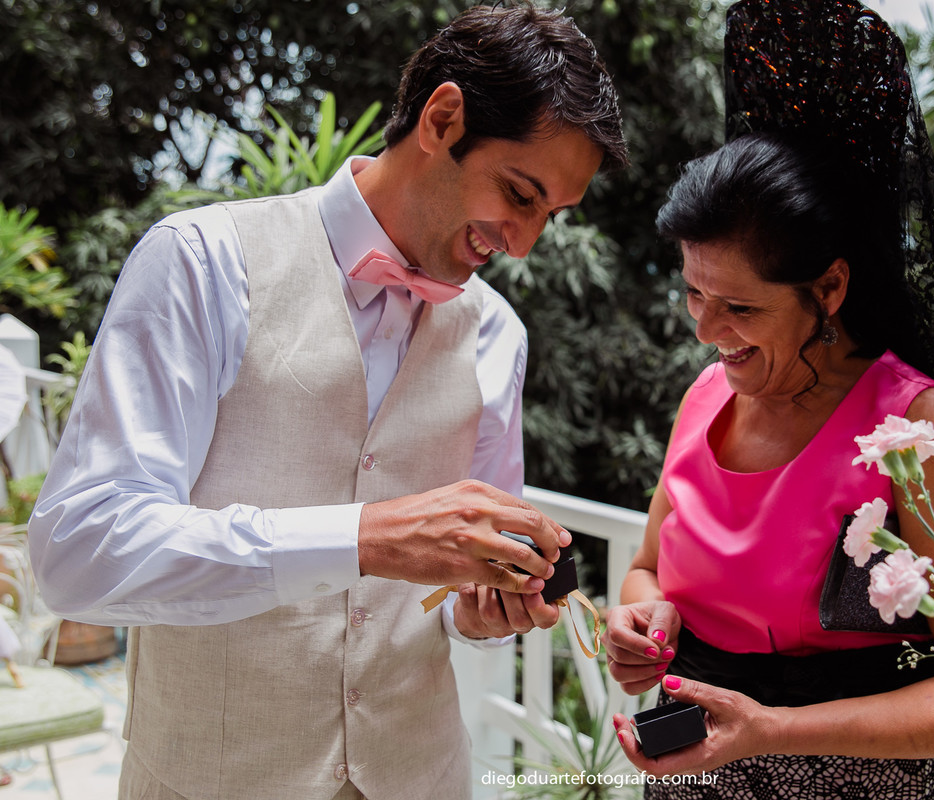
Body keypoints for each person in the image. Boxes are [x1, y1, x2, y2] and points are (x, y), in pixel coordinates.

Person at [27, 4, 627, 799]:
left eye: (550, 217)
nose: (522, 243)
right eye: (519, 193)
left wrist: (477, 610)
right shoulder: (203, 262)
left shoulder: (498, 337)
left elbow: (452, 592)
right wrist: (362, 537)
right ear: (443, 119)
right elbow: (80, 552)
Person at [601, 1, 934, 798]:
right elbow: (650, 568)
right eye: (692, 293)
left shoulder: (923, 429)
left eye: (741, 308)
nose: (706, 331)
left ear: (829, 286)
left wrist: (775, 732)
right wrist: (643, 620)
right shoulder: (704, 397)